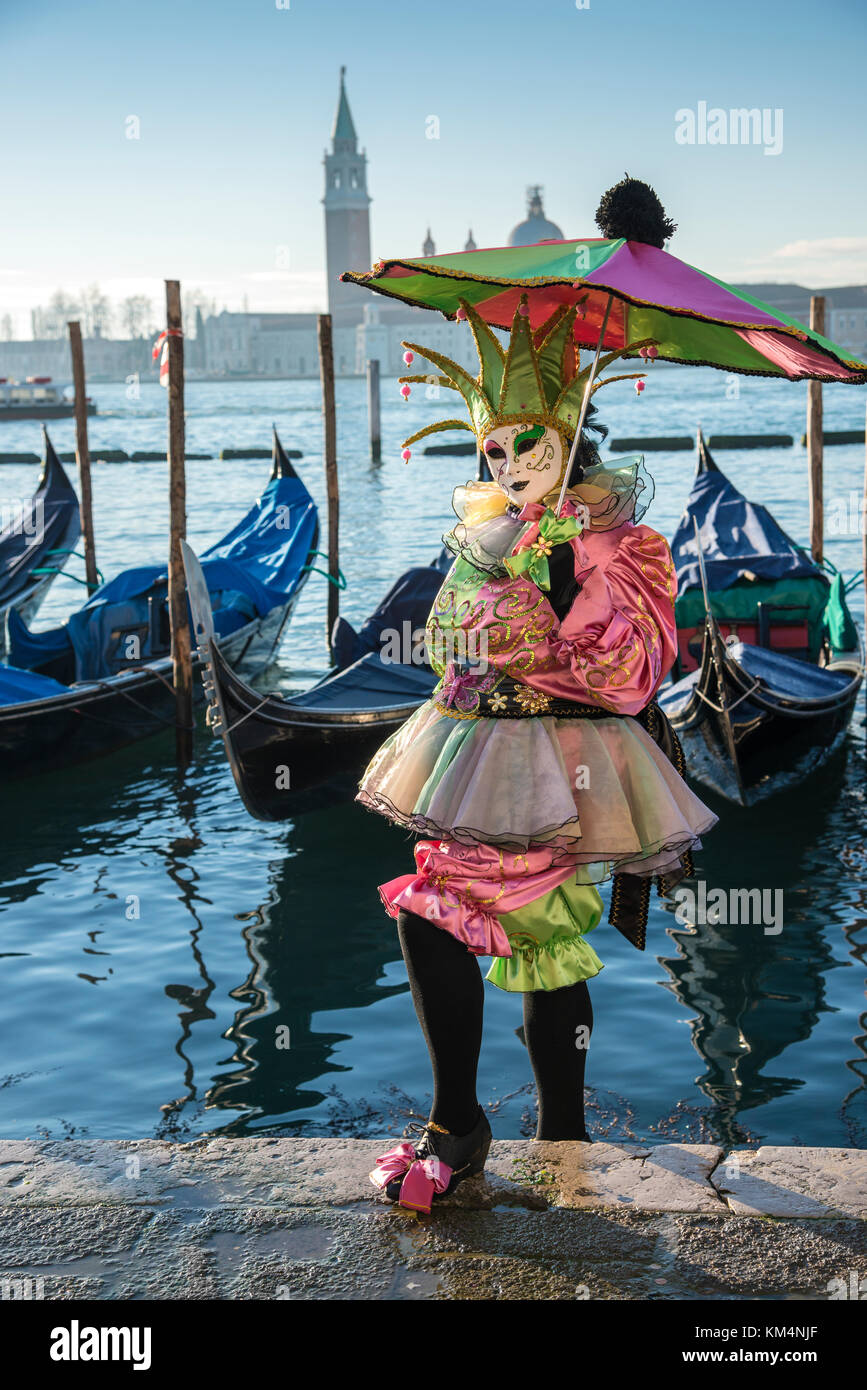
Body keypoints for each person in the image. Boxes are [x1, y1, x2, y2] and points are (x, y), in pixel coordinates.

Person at [361, 293, 718, 1215]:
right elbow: (445, 646)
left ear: (573, 449)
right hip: (476, 751)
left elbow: (633, 670)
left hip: (576, 766)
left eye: (532, 448)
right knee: (470, 921)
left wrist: (548, 608)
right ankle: (514, 1127)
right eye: (496, 450)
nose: (512, 466)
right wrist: (492, 611)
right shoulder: (486, 537)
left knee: (509, 930)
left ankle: (504, 1128)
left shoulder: (624, 545)